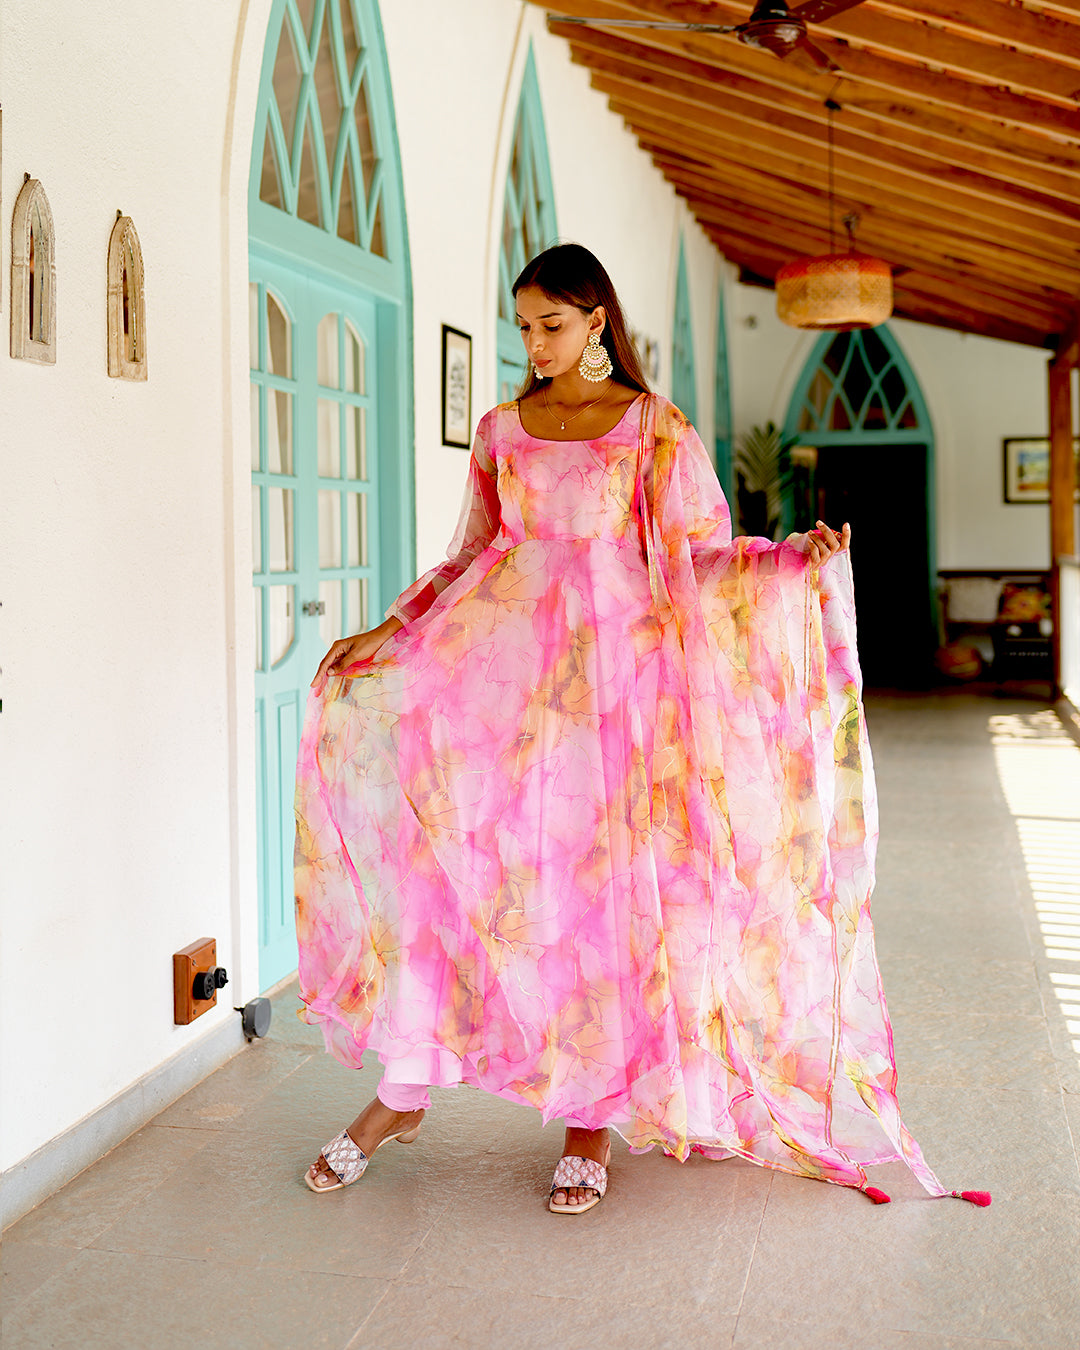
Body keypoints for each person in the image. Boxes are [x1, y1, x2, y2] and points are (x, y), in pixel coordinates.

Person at [293, 243, 978, 1214]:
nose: (533, 344)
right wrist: (385, 633)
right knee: (445, 884)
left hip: (619, 706)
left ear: (597, 323)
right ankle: (401, 1094)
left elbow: (698, 556)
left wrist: (789, 562)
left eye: (552, 325)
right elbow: (469, 563)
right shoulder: (500, 432)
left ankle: (590, 1115)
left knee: (601, 910)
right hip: (501, 699)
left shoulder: (652, 431)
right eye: (523, 326)